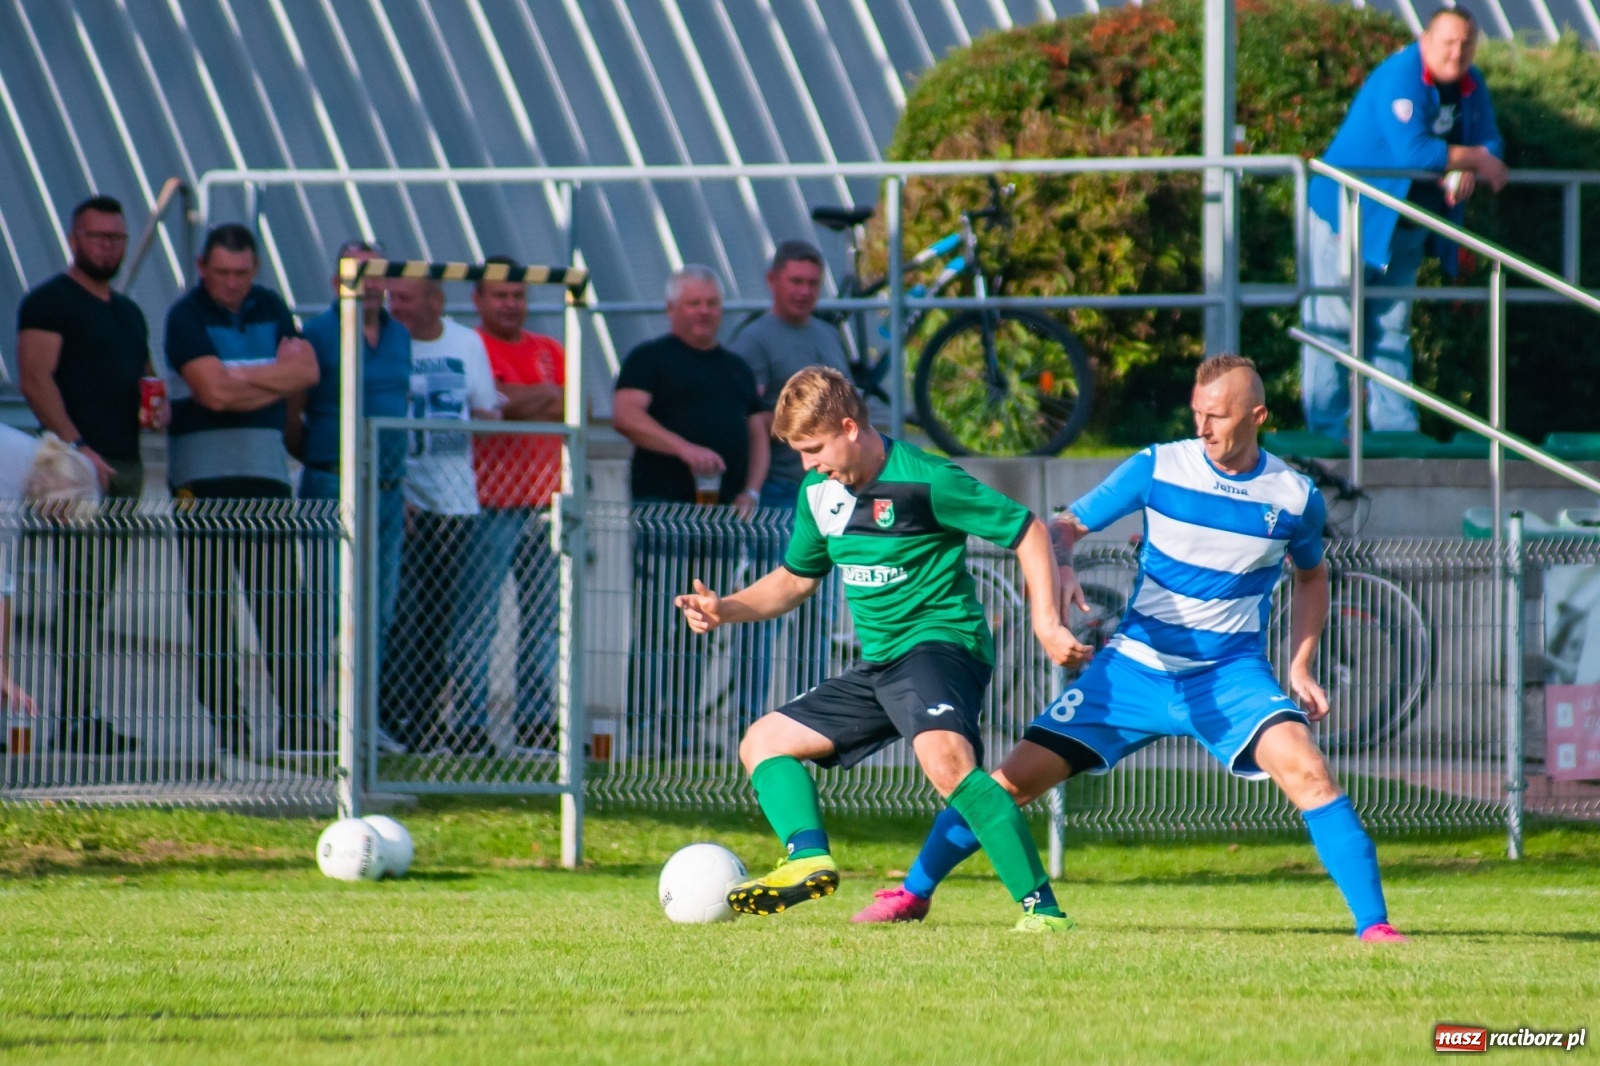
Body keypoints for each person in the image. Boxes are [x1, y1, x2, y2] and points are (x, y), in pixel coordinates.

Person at [862, 356, 1408, 943]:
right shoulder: (1158, 465)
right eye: (1197, 413)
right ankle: (912, 892)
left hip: (1229, 676)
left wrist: (1300, 664)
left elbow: (1311, 577)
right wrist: (1064, 567)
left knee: (1311, 774)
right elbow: (1063, 526)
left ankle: (1374, 927)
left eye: (1217, 416)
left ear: (1258, 416)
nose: (1202, 427)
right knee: (1008, 783)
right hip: (1131, 672)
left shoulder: (1296, 496)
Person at [674, 366, 1085, 932]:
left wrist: (1045, 622)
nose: (809, 464)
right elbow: (794, 581)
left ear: (850, 427)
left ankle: (1043, 911)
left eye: (815, 449)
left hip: (942, 645)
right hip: (881, 663)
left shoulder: (926, 479)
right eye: (799, 453)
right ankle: (807, 858)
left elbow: (1028, 530)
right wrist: (726, 608)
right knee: (763, 741)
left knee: (946, 763)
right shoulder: (818, 493)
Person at [1302, 7, 1507, 440]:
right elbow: (1413, 152)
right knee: (1333, 325)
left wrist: (1470, 160)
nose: (1457, 52)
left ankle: (1396, 432)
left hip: (1404, 225)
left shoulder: (1472, 84)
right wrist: (1470, 158)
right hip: (1346, 218)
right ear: (1426, 41)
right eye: (1448, 42)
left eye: (1466, 43)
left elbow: (1490, 139)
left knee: (1392, 328)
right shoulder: (1401, 75)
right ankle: (1324, 435)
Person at [165, 223, 323, 756]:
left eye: (243, 273)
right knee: (212, 607)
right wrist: (269, 378)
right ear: (202, 267)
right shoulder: (185, 317)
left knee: (281, 604)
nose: (233, 284)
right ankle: (230, 726)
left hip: (267, 474)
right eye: (223, 272)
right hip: (201, 478)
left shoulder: (271, 306)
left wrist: (237, 382)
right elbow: (210, 395)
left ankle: (300, 721)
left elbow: (306, 374)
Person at [15, 195, 162, 753]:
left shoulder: (127, 312)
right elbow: (35, 379)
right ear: (75, 239)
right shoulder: (50, 303)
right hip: (74, 472)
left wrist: (156, 406)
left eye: (117, 238)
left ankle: (84, 712)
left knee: (97, 594)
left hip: (125, 463)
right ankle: (76, 716)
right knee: (78, 591)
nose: (109, 247)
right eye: (98, 237)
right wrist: (78, 449)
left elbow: (144, 376)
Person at [613, 266, 766, 750]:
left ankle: (680, 730)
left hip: (720, 520)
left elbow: (759, 433)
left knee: (702, 621)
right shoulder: (649, 358)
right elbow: (625, 414)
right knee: (658, 621)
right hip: (663, 512)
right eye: (695, 304)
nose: (705, 313)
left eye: (712, 304)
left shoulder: (738, 368)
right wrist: (682, 448)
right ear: (672, 309)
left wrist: (752, 491)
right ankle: (641, 730)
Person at [729, 240, 854, 724]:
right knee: (766, 610)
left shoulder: (827, 334)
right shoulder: (755, 339)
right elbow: (753, 419)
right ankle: (750, 719)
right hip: (781, 493)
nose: (804, 292)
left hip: (834, 490)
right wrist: (755, 487)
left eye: (811, 283)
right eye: (795, 281)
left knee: (818, 615)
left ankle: (809, 720)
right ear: (773, 281)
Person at [292, 239, 412, 726]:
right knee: (323, 606)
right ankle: (307, 720)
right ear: (336, 281)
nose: (369, 283)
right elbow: (293, 417)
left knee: (378, 613)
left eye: (376, 272)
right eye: (358, 272)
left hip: (387, 491)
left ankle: (362, 720)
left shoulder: (400, 336)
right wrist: (326, 464)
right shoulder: (317, 334)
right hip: (331, 486)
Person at [383, 276, 500, 752]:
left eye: (406, 298)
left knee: (440, 619)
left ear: (435, 300)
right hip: (404, 496)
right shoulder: (385, 341)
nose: (397, 306)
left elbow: (487, 411)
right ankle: (391, 718)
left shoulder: (466, 343)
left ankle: (428, 722)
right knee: (399, 613)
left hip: (454, 502)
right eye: (393, 297)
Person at [455, 256, 565, 755]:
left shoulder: (548, 348)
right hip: (489, 500)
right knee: (478, 617)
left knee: (544, 619)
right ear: (478, 300)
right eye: (499, 295)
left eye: (517, 295)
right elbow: (490, 404)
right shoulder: (472, 346)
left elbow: (577, 404)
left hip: (547, 501)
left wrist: (524, 397)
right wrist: (545, 396)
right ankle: (470, 724)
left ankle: (536, 723)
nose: (510, 303)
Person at [0, 429, 103, 752]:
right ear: (56, 491)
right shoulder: (8, 489)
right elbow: (2, 586)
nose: (51, 522)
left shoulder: (21, 450)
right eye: (60, 514)